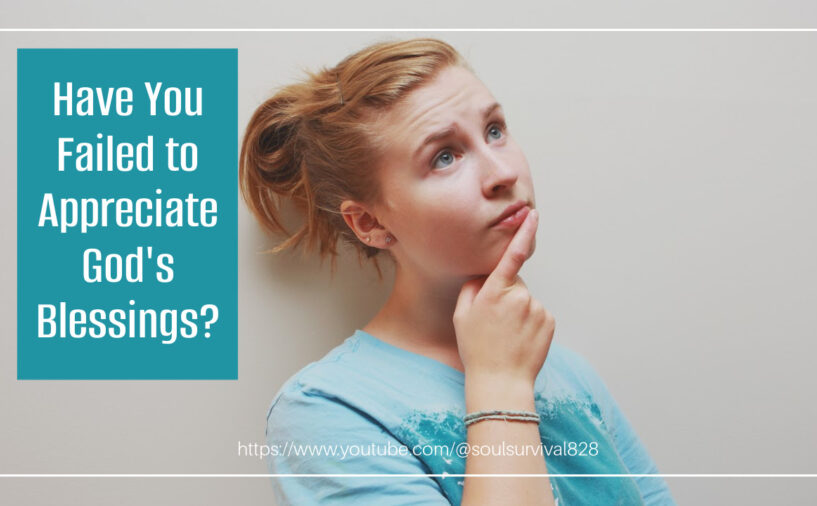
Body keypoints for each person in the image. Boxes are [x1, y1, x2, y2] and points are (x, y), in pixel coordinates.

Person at [239, 37, 676, 505]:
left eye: (494, 130)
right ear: (370, 222)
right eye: (444, 157)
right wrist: (500, 386)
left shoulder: (561, 368)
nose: (502, 172)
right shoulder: (327, 412)